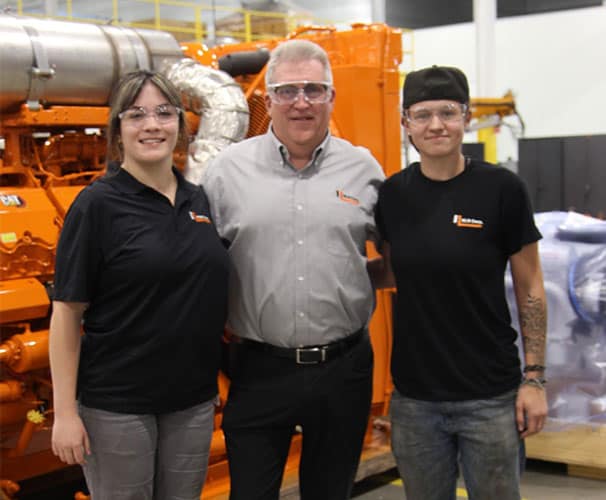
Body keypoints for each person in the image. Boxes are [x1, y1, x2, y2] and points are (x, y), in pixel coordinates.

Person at [202, 39, 385, 500]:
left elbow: (404, 252)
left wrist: (355, 280)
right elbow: (199, 263)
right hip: (259, 368)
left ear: (331, 98)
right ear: (269, 99)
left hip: (343, 368)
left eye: (313, 89)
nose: (301, 102)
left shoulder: (362, 169)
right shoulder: (225, 172)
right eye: (287, 91)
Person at [49, 70, 229, 500]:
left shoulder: (197, 200)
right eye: (136, 114)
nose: (152, 125)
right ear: (117, 130)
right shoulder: (97, 205)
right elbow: (67, 312)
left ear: (181, 128)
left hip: (191, 401)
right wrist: (64, 413)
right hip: (117, 404)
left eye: (165, 113)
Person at [375, 65, 548, 500]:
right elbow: (394, 271)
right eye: (423, 114)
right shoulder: (392, 196)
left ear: (466, 117)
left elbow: (531, 288)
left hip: (489, 397)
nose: (436, 125)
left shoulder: (502, 189)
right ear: (406, 123)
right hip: (415, 400)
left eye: (448, 112)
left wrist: (535, 380)